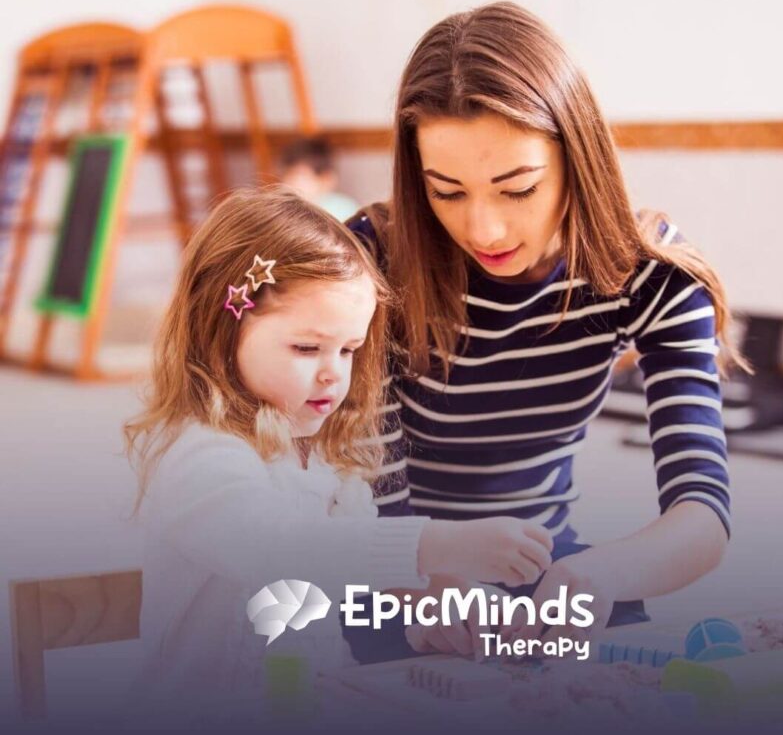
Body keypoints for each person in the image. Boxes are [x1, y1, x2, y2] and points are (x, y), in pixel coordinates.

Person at [345, 2, 744, 661]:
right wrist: (424, 584)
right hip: (387, 573)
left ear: (576, 156)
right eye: (447, 192)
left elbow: (702, 514)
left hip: (545, 571)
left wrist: (602, 577)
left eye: (518, 188)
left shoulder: (652, 276)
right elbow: (374, 499)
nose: (484, 230)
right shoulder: (369, 264)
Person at [121, 186, 552, 724]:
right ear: (221, 331)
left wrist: (428, 615)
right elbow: (279, 550)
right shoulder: (199, 456)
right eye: (306, 348)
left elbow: (346, 575)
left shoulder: (325, 461)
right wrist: (435, 544)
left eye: (348, 350)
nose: (333, 372)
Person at [278, 136, 359, 221]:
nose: (288, 183)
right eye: (285, 175)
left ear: (327, 179)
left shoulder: (345, 210)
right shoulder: (283, 208)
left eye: (299, 175)